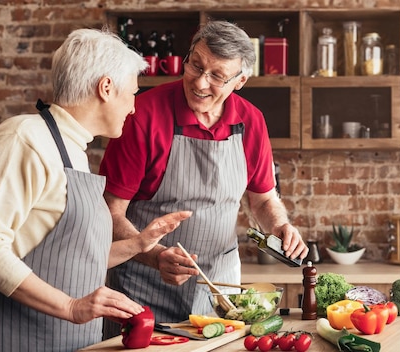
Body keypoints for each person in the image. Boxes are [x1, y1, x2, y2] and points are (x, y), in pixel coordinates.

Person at [0, 28, 192, 352]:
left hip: (64, 341)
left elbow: (73, 262)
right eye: (132, 93)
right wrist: (70, 308)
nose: (134, 108)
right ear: (106, 88)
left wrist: (137, 244)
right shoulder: (24, 140)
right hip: (8, 338)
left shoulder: (73, 150)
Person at [99, 20, 308, 334]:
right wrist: (156, 256)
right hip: (143, 289)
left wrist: (279, 227)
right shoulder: (143, 114)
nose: (200, 83)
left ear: (240, 81)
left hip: (219, 291)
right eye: (195, 66)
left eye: (218, 76)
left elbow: (263, 198)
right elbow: (111, 212)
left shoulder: (251, 120)